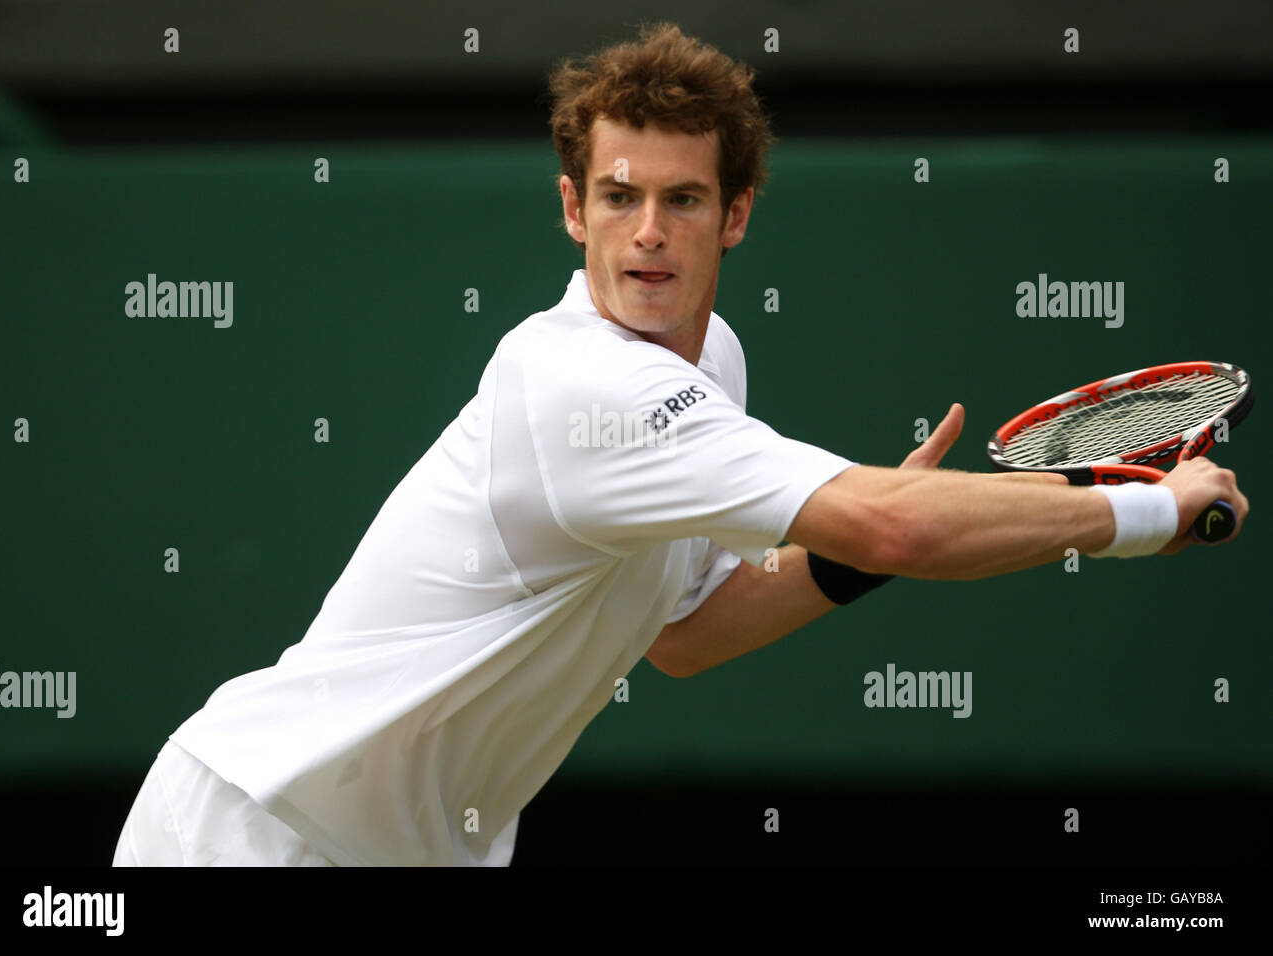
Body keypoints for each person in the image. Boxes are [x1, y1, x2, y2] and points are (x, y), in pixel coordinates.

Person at [112, 21, 1248, 867]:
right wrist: (1146, 508)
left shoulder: (712, 367)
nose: (647, 234)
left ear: (736, 212)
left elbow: (688, 635)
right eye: (617, 198)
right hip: (247, 833)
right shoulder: (572, 382)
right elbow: (896, 517)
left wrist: (855, 552)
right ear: (572, 209)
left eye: (683, 200)